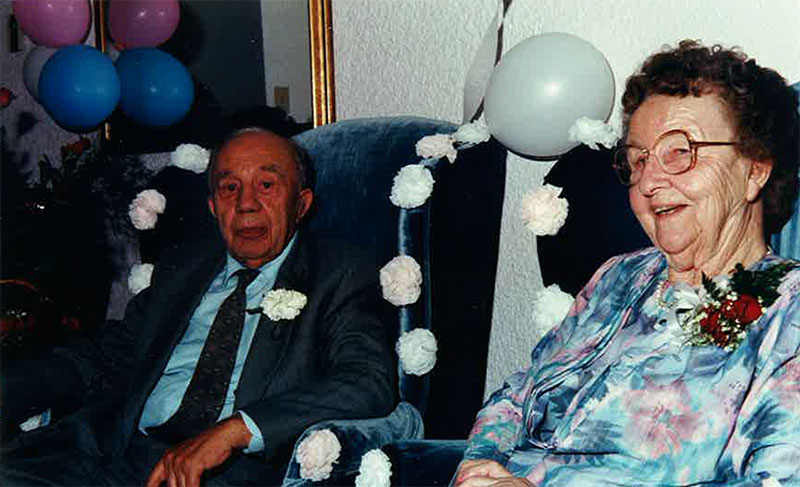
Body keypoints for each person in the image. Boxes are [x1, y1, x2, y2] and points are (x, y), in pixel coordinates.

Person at [456, 40, 800, 487]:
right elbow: (517, 394)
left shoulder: (786, 312)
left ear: (754, 170)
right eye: (638, 159)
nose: (650, 181)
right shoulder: (618, 277)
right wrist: (478, 465)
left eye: (681, 151)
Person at [0, 128, 396, 486]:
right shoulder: (181, 268)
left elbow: (367, 381)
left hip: (225, 473)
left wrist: (235, 430)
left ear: (301, 203)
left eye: (267, 185)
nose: (246, 205)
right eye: (229, 188)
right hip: (110, 453)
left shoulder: (340, 272)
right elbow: (106, 354)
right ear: (213, 208)